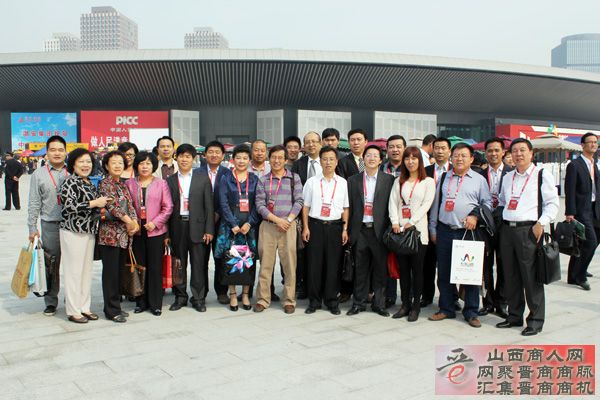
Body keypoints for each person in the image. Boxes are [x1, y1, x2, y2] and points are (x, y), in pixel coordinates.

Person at [496, 138, 559, 336]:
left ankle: (535, 320)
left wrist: (541, 222)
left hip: (529, 230)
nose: (518, 154)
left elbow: (552, 203)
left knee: (531, 277)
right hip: (507, 230)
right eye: (514, 151)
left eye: (522, 150)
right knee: (510, 275)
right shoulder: (508, 177)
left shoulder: (541, 174)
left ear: (531, 153)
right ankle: (514, 315)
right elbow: (503, 201)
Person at [428, 143, 491, 328]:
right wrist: (433, 229)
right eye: (456, 155)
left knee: (469, 273)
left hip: (468, 232)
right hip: (445, 230)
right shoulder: (444, 177)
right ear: (451, 157)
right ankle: (446, 308)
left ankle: (471, 312)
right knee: (444, 272)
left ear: (471, 159)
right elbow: (436, 205)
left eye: (463, 155)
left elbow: (487, 203)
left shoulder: (479, 180)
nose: (459, 159)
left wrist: (475, 216)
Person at [59, 148, 111, 323]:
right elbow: (69, 207)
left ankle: (84, 307)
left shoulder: (88, 182)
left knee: (86, 271)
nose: (85, 165)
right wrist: (95, 202)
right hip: (73, 231)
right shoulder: (69, 182)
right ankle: (73, 310)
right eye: (81, 161)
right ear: (73, 164)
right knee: (73, 272)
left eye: (88, 161)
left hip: (88, 231)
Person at [254, 145, 303, 313]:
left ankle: (289, 300)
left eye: (280, 157)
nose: (276, 160)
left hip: (288, 226)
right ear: (269, 159)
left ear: (286, 160)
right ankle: (263, 299)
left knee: (289, 265)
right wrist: (277, 220)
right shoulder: (263, 180)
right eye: (273, 157)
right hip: (268, 226)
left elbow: (299, 201)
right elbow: (260, 205)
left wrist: (287, 220)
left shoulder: (294, 178)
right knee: (266, 265)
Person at [346, 145, 394, 317]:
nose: (371, 158)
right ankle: (358, 303)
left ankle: (379, 304)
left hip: (379, 231)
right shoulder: (353, 180)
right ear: (363, 159)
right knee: (360, 268)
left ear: (380, 160)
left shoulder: (389, 180)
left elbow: (391, 206)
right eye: (368, 155)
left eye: (375, 156)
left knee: (380, 269)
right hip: (360, 230)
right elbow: (349, 207)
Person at [388, 146, 435, 321]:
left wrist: (412, 221)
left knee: (417, 270)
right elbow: (393, 203)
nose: (410, 161)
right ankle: (405, 304)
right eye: (407, 158)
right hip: (400, 232)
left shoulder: (428, 181)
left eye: (414, 158)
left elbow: (426, 204)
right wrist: (395, 221)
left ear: (419, 161)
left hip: (418, 232)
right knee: (404, 271)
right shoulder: (398, 181)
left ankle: (416, 306)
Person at [166, 144, 215, 312]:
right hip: (177, 226)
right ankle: (180, 296)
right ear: (176, 158)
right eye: (181, 156)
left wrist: (209, 230)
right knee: (178, 264)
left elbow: (209, 206)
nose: (184, 159)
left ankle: (198, 298)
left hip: (198, 228)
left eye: (188, 156)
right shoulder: (170, 180)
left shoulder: (202, 178)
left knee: (198, 264)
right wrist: (167, 233)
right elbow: (166, 208)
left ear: (193, 159)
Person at [302, 146, 349, 315]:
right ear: (320, 161)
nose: (328, 162)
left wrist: (345, 229)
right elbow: (305, 207)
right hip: (315, 226)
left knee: (333, 265)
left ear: (336, 162)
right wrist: (306, 227)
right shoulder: (312, 182)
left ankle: (331, 300)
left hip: (335, 227)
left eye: (331, 159)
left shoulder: (343, 183)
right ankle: (314, 301)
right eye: (324, 159)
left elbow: (346, 208)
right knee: (314, 265)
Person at [126, 151, 173, 315]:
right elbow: (127, 206)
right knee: (140, 267)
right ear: (136, 165)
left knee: (154, 267)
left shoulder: (161, 183)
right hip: (136, 231)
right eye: (141, 163)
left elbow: (168, 207)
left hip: (155, 231)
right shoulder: (130, 184)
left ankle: (155, 303)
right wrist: (132, 223)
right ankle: (141, 302)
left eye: (148, 163)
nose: (145, 166)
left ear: (153, 166)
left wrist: (155, 223)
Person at [214, 144, 260, 312]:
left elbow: (258, 203)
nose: (241, 161)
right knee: (231, 260)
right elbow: (223, 203)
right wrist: (233, 224)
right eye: (238, 158)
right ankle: (232, 294)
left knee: (248, 261)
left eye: (245, 158)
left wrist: (250, 223)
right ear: (233, 160)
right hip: (230, 228)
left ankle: (246, 294)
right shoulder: (226, 178)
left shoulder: (254, 179)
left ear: (250, 161)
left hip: (249, 228)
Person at [27, 136, 68, 316]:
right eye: (53, 150)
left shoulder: (73, 171)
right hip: (50, 225)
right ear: (47, 152)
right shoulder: (39, 174)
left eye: (60, 149)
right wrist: (32, 227)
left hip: (73, 225)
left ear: (66, 152)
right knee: (52, 264)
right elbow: (34, 202)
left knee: (74, 264)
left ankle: (73, 299)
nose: (57, 153)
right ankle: (51, 301)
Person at [98, 151, 139, 323]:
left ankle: (116, 306)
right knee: (110, 274)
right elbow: (112, 206)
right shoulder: (105, 184)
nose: (117, 166)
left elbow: (130, 205)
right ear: (106, 166)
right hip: (110, 236)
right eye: (113, 162)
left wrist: (135, 223)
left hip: (123, 236)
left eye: (120, 163)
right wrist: (130, 221)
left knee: (118, 273)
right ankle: (111, 310)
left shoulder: (122, 184)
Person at [196, 140, 233, 304]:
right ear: (205, 155)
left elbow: (230, 197)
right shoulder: (197, 173)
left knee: (221, 258)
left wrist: (218, 213)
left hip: (221, 222)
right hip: (201, 223)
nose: (214, 155)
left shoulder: (228, 173)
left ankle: (222, 291)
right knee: (201, 259)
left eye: (217, 152)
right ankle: (201, 293)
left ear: (223, 155)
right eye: (210, 152)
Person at [478, 138, 512, 318]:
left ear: (503, 152)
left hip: (504, 224)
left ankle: (502, 302)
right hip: (484, 224)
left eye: (497, 150)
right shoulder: (479, 175)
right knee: (485, 266)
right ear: (485, 153)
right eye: (490, 150)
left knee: (504, 264)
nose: (493, 154)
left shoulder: (512, 173)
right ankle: (488, 302)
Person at [565, 133, 600, 291]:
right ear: (582, 145)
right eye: (590, 142)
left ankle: (574, 273)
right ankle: (580, 276)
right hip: (581, 210)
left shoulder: (594, 164)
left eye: (595, 142)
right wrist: (570, 212)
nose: (593, 144)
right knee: (590, 242)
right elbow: (569, 190)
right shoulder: (575, 165)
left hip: (595, 208)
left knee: (590, 241)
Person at [336, 128, 368, 302]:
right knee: (348, 254)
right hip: (351, 212)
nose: (355, 142)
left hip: (370, 216)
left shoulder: (372, 159)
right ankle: (346, 290)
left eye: (359, 139)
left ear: (365, 141)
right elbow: (342, 189)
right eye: (352, 140)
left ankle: (366, 290)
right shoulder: (343, 162)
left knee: (366, 257)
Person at [421, 137, 453, 309]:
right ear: (432, 150)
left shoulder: (456, 170)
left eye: (443, 148)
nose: (440, 151)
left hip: (448, 222)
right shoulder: (424, 170)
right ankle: (427, 295)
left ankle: (451, 298)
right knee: (428, 261)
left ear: (449, 151)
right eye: (437, 148)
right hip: (426, 220)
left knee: (449, 263)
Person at [292, 131, 322, 298]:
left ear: (320, 143)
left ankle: (320, 286)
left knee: (320, 252)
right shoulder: (298, 164)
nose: (311, 144)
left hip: (324, 214)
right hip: (303, 212)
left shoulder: (327, 161)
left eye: (314, 141)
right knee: (303, 252)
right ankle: (303, 285)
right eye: (307, 142)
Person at [381, 134, 406, 308]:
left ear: (404, 148)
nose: (395, 150)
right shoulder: (381, 167)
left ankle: (407, 297)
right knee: (387, 260)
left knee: (405, 260)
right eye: (391, 147)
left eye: (398, 146)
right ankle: (389, 296)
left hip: (405, 221)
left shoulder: (411, 167)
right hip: (385, 220)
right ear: (387, 149)